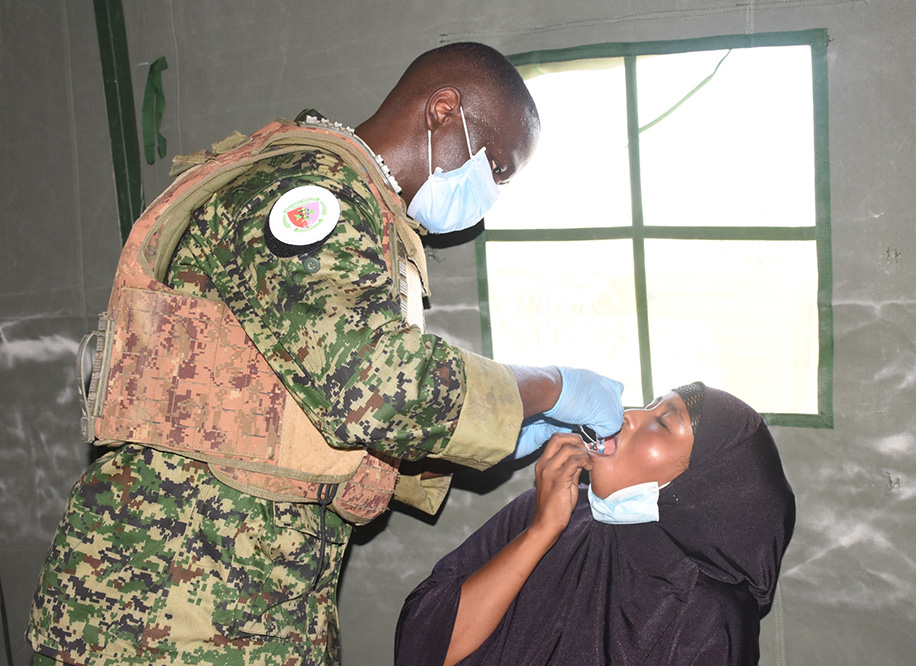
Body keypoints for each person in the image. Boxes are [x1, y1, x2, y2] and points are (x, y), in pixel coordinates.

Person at [27, 43, 624, 666]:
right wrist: (552, 386)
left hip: (259, 602)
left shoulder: (373, 222)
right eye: (495, 169)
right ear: (443, 110)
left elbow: (310, 421)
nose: (491, 196)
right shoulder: (308, 195)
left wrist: (501, 433)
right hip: (160, 604)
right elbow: (377, 387)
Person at [395, 382, 796, 666]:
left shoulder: (704, 613)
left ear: (702, 484)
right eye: (650, 404)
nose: (630, 415)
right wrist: (541, 531)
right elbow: (421, 648)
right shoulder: (545, 510)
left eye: (662, 422)